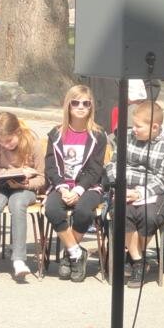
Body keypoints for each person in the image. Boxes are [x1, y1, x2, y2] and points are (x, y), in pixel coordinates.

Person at [104, 100, 164, 288]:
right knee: (123, 213)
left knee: (148, 216)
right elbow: (112, 165)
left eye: (138, 126)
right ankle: (138, 261)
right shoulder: (126, 138)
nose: (133, 129)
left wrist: (139, 193)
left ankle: (134, 256)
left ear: (154, 127)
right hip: (125, 187)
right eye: (133, 125)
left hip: (154, 192)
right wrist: (120, 187)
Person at [44, 84, 107, 283]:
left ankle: (68, 256)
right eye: (75, 103)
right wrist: (63, 188)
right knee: (52, 209)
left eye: (86, 103)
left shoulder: (98, 135)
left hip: (88, 186)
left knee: (83, 211)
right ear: (68, 106)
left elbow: (95, 169)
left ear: (91, 107)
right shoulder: (55, 134)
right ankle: (76, 253)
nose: (80, 107)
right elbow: (51, 166)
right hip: (61, 185)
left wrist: (78, 190)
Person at [0, 112, 45, 282]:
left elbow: (42, 178)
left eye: (9, 140)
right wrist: (17, 171)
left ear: (18, 132)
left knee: (17, 203)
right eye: (1, 141)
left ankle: (19, 260)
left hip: (24, 187)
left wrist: (25, 183)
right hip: (1, 184)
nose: (5, 145)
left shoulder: (33, 143)